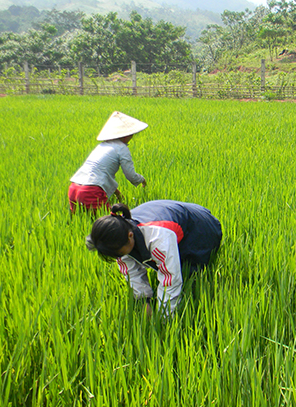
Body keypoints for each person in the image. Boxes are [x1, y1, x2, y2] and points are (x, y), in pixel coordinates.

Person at [86, 201, 222, 316]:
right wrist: (143, 301)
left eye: (119, 254)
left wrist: (164, 319)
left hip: (202, 226)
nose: (119, 258)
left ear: (129, 236)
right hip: (174, 216)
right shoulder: (117, 235)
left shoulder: (158, 237)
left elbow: (170, 279)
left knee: (191, 274)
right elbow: (132, 273)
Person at [69, 111, 148, 212]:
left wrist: (117, 194)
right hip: (90, 191)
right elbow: (130, 175)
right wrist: (142, 180)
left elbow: (98, 174)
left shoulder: (101, 146)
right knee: (111, 225)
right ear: (125, 135)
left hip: (74, 188)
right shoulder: (122, 148)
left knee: (83, 223)